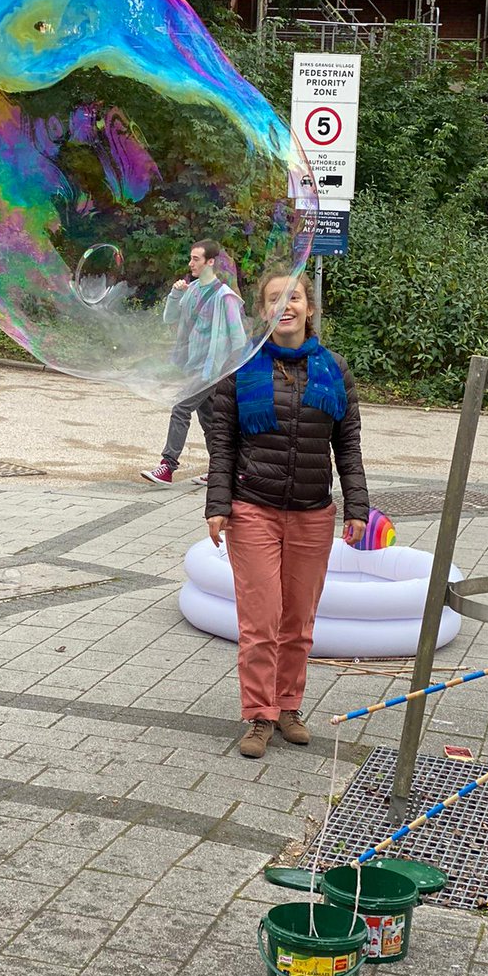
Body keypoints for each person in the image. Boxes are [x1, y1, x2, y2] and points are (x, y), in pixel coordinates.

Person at [205, 264, 369, 759]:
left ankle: (289, 706)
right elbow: (222, 445)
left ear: (310, 308)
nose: (285, 307)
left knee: (298, 622)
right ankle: (258, 715)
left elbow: (349, 446)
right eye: (275, 299)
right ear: (262, 311)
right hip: (253, 509)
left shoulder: (334, 370)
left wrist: (355, 506)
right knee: (261, 622)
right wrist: (217, 505)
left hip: (312, 513)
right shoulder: (240, 368)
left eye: (293, 298)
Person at [141, 239, 247, 486]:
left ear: (211, 262)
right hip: (193, 366)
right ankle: (222, 470)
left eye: (196, 259)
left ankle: (167, 466)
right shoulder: (192, 290)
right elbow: (170, 318)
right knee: (210, 420)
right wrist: (176, 292)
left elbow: (239, 340)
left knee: (180, 406)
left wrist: (225, 372)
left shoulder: (225, 297)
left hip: (212, 370)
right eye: (191, 258)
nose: (191, 264)